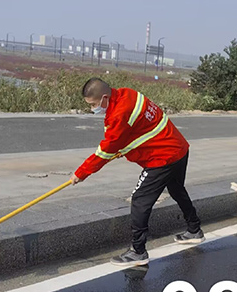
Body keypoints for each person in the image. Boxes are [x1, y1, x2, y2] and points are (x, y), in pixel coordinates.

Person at [71, 78, 203, 267]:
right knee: (176, 189)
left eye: (93, 104)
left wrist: (81, 173)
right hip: (178, 148)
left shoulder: (118, 114)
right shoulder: (127, 93)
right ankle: (194, 229)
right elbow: (137, 130)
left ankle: (138, 251)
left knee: (140, 200)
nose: (93, 109)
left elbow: (106, 150)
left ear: (105, 98)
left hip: (162, 158)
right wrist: (123, 148)